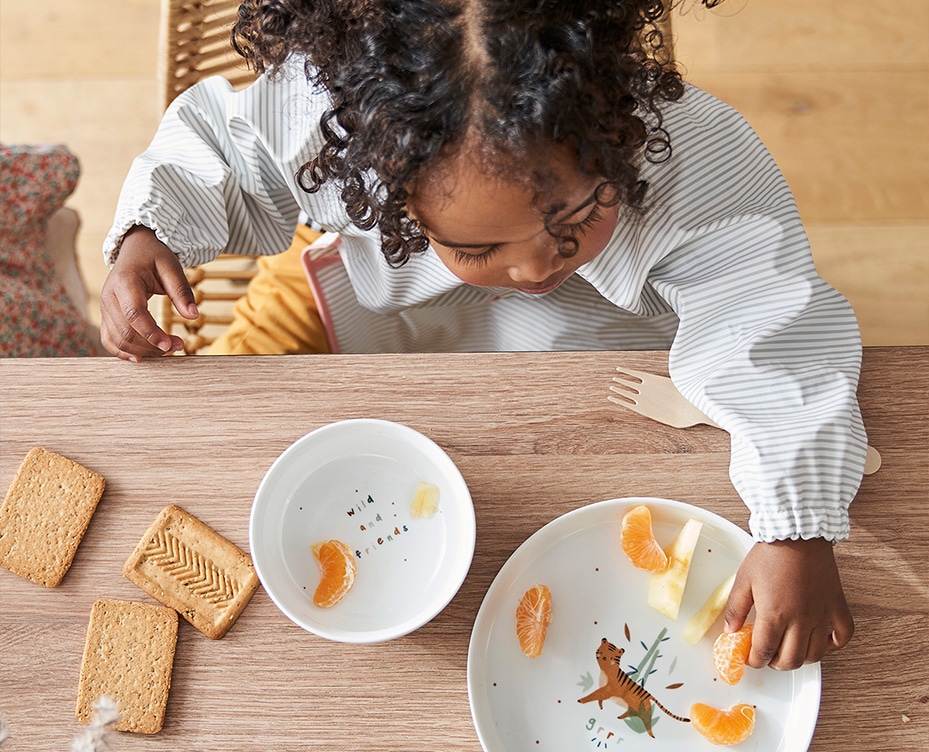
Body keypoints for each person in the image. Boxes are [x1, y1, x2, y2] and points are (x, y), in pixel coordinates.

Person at [100, 0, 865, 672]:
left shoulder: (693, 159)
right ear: (380, 180)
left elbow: (770, 331)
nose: (535, 266)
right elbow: (223, 154)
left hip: (599, 349)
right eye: (476, 246)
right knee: (213, 451)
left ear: (615, 136)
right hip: (389, 321)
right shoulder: (333, 118)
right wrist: (147, 230)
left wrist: (795, 529)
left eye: (572, 219)